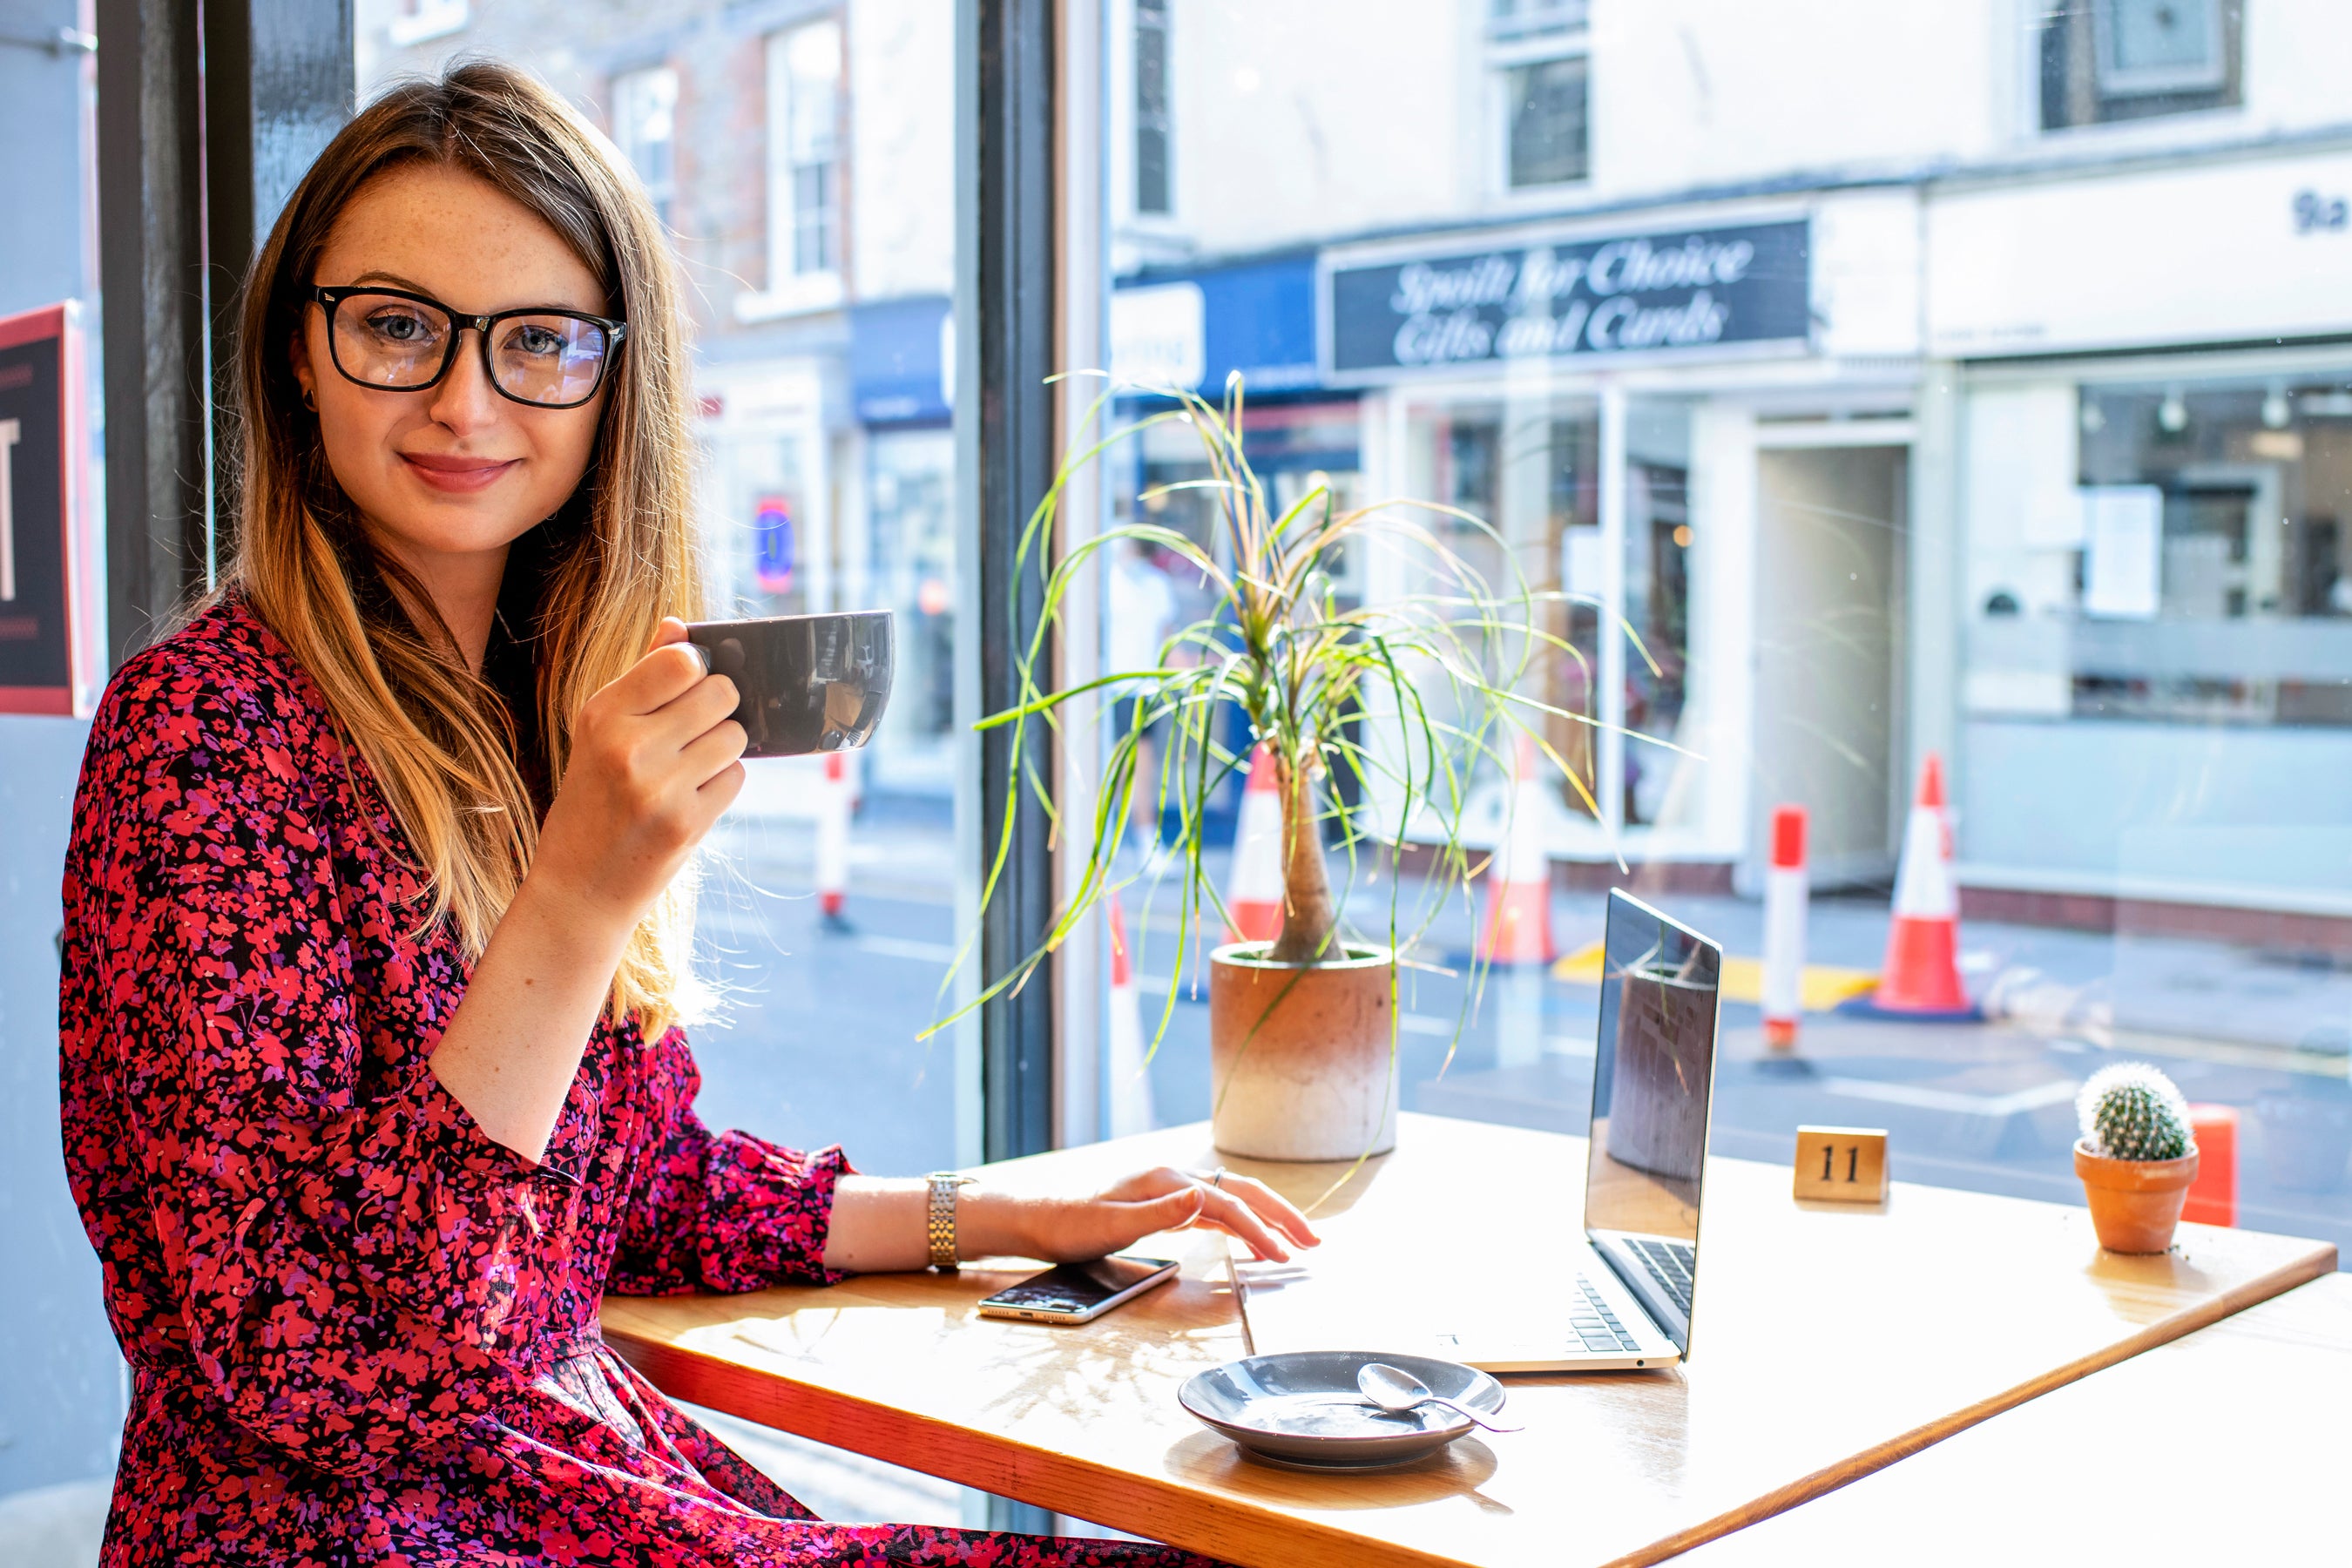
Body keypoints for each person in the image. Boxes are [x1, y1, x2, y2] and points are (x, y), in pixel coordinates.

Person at [57, 62, 1314, 1568]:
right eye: (397, 326)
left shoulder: (532, 713)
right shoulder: (200, 733)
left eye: (537, 342)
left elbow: (627, 1186)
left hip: (551, 1482)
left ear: (613, 385)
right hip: (342, 1528)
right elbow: (301, 1362)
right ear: (298, 358)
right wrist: (579, 898)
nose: (465, 399)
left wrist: (1014, 1218)